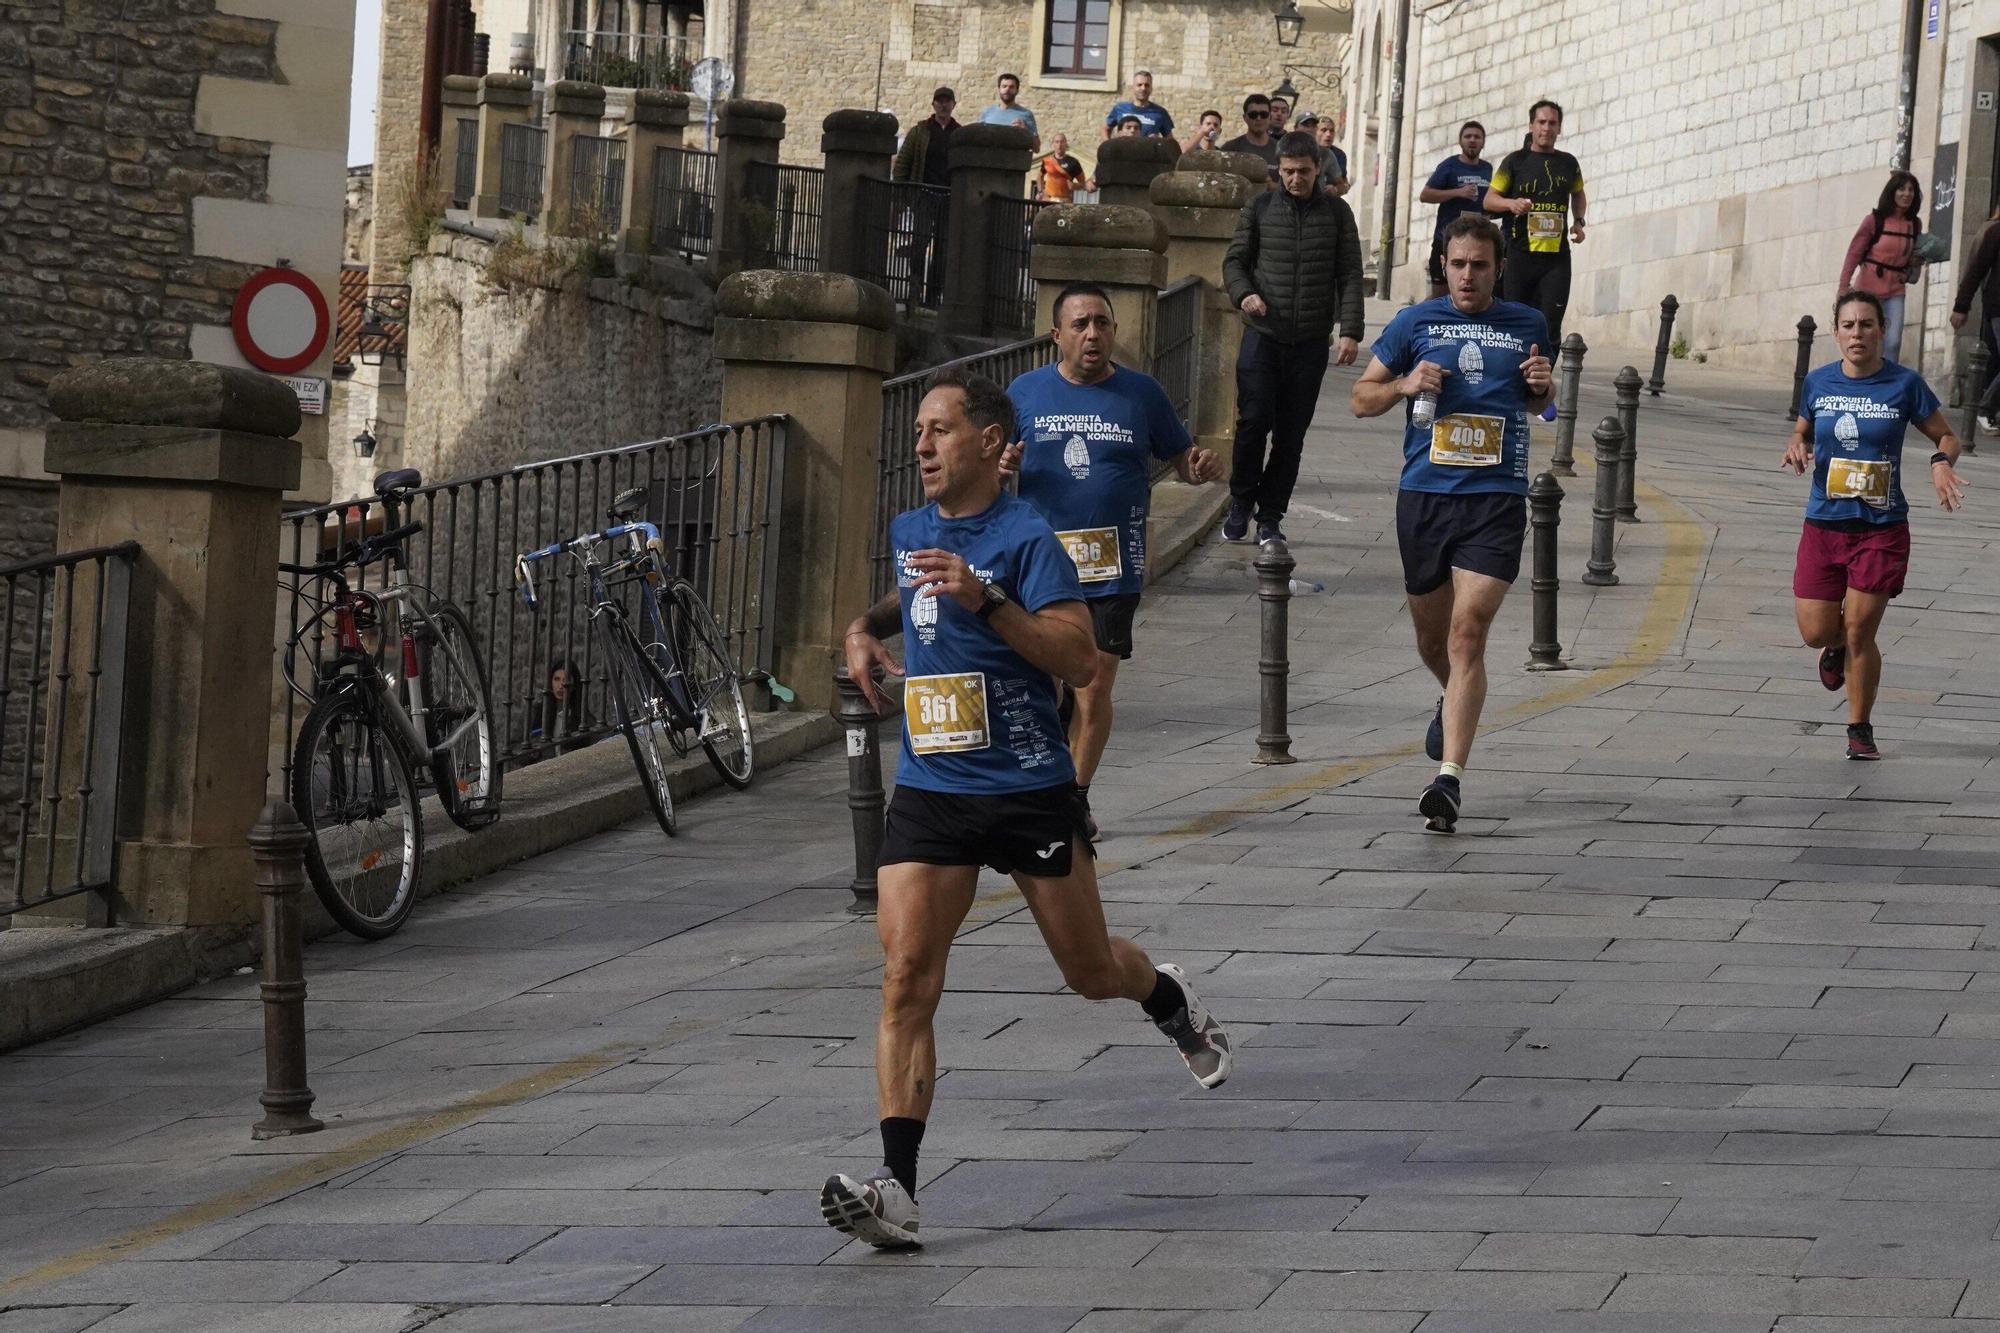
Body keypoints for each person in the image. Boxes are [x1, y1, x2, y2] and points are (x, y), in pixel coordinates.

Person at [820, 367, 1232, 1250]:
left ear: (992, 446)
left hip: (1026, 788)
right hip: (932, 789)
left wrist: (989, 597)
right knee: (905, 977)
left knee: (1089, 972)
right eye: (919, 431)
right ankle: (898, 1186)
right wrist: (864, 628)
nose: (922, 445)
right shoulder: (911, 529)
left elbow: (1079, 659)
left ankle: (1165, 995)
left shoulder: (1029, 539)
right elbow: (908, 589)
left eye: (940, 430)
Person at [1349, 214, 1553, 832]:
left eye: (1480, 265)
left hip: (1496, 497)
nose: (1468, 275)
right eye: (1458, 263)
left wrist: (1543, 388)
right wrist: (1405, 384)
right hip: (1426, 499)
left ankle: (1449, 779)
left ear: (1498, 269)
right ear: (1444, 263)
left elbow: (1539, 403)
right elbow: (1361, 397)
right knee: (1433, 643)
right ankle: (1453, 695)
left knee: (1469, 634)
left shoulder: (1527, 325)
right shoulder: (1414, 323)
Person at [1002, 283, 1224, 841]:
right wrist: (1002, 463)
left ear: (1115, 331)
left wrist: (1199, 467)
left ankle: (1074, 798)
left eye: (1102, 322)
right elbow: (992, 466)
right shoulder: (1024, 393)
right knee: (1043, 687)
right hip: (1039, 567)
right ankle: (1040, 785)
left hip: (1111, 566)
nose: (1092, 334)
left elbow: (1182, 460)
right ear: (1057, 335)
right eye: (1079, 324)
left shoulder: (1141, 394)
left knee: (1093, 686)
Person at [1782, 289, 1966, 761]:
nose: (1857, 333)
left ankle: (1859, 727)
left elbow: (1946, 433)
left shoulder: (1904, 384)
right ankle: (1833, 648)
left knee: (1861, 631)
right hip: (1824, 524)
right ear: (1836, 333)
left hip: (1881, 528)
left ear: (1882, 331)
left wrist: (1941, 461)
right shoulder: (1819, 383)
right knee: (1816, 632)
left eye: (1867, 325)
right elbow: (1804, 425)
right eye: (1848, 325)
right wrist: (1797, 442)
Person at [1221, 130, 1364, 545]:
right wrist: (1244, 294)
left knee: (1291, 435)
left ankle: (1270, 515)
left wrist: (1350, 330)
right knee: (1253, 423)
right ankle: (1240, 500)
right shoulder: (1259, 208)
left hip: (1310, 341)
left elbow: (1350, 274)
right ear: (1278, 170)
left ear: (1318, 169)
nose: (1295, 179)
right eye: (1288, 172)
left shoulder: (1338, 214)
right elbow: (1234, 262)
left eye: (1303, 171)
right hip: (1263, 335)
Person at [1482, 99, 1584, 419]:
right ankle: (1508, 383)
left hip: (1555, 257)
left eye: (1552, 123)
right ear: (1531, 126)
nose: (1546, 128)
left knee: (1549, 325)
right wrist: (1511, 205)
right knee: (1515, 321)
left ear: (1559, 128)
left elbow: (1578, 194)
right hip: (1519, 255)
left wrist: (1579, 222)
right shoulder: (1515, 161)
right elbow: (1489, 199)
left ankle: (1540, 393)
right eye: (1541, 122)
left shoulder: (1568, 163)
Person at [1840, 171, 1925, 362]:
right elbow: (1853, 253)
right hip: (1868, 290)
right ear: (1892, 192)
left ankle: (1886, 386)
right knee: (1865, 339)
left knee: (1893, 342)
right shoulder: (1874, 220)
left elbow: (1912, 255)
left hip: (1896, 289)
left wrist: (1917, 261)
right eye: (1901, 189)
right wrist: (1843, 287)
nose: (1906, 194)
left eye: (1911, 190)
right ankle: (1860, 378)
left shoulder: (1914, 224)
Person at [892, 87, 958, 306]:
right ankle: (915, 287)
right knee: (920, 243)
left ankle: (933, 295)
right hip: (924, 195)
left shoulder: (958, 133)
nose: (943, 105)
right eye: (939, 101)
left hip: (947, 198)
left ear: (953, 105)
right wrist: (904, 193)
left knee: (943, 249)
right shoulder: (920, 131)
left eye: (947, 101)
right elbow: (903, 163)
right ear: (933, 104)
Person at [1420, 120, 1492, 299]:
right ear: (1460, 142)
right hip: (1446, 239)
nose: (1472, 140)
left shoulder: (1487, 169)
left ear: (1483, 142)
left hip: (1475, 240)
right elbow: (1425, 195)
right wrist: (1458, 192)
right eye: (1468, 137)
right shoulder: (1450, 166)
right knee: (1440, 295)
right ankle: (1422, 320)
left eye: (1477, 137)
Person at [1949, 201, 2000, 433]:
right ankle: (1985, 408)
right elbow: (1975, 269)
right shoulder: (1993, 230)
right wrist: (1961, 305)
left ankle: (1988, 408)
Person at [1102, 70, 1172, 140]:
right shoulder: (1120, 108)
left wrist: (1158, 140)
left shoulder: (1161, 112)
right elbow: (1106, 129)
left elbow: (1169, 139)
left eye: (1147, 85)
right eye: (1139, 85)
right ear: (1133, 87)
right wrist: (1108, 147)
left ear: (1151, 88)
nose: (1143, 88)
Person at [1219, 93, 1278, 173]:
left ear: (1270, 117)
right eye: (1253, 115)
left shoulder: (1280, 150)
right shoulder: (1230, 149)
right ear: (1245, 118)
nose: (1258, 118)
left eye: (1264, 114)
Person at [978, 72, 1039, 149]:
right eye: (1004, 86)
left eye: (1011, 87)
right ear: (999, 89)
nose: (1007, 89)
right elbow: (978, 140)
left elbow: (1037, 148)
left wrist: (1025, 131)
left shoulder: (1026, 114)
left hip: (1014, 160)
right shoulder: (987, 112)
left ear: (1017, 90)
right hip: (988, 159)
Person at [1303, 113, 1350, 196]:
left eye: (1331, 131)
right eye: (1323, 130)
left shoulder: (1339, 154)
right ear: (1315, 131)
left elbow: (1344, 184)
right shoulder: (1304, 150)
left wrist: (1336, 189)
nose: (1328, 135)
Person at [1036, 132, 1087, 202]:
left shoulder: (1073, 162)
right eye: (1057, 142)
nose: (1059, 145)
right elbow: (1039, 176)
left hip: (1065, 201)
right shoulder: (1046, 161)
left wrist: (1074, 186)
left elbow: (1083, 183)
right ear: (1053, 144)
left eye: (1062, 142)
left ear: (1066, 144)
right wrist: (1040, 191)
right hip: (1048, 200)